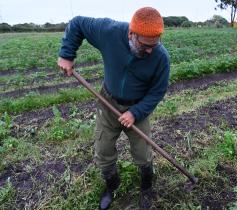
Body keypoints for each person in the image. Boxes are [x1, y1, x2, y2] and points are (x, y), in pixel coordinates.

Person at [57, 7, 170, 210]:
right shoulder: (109, 32)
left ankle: (146, 188)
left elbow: (157, 91)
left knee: (143, 153)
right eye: (145, 45)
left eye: (155, 44)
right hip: (108, 103)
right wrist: (67, 54)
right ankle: (111, 185)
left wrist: (135, 113)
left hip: (138, 107)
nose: (150, 50)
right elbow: (77, 23)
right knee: (103, 150)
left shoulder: (160, 57)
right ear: (131, 34)